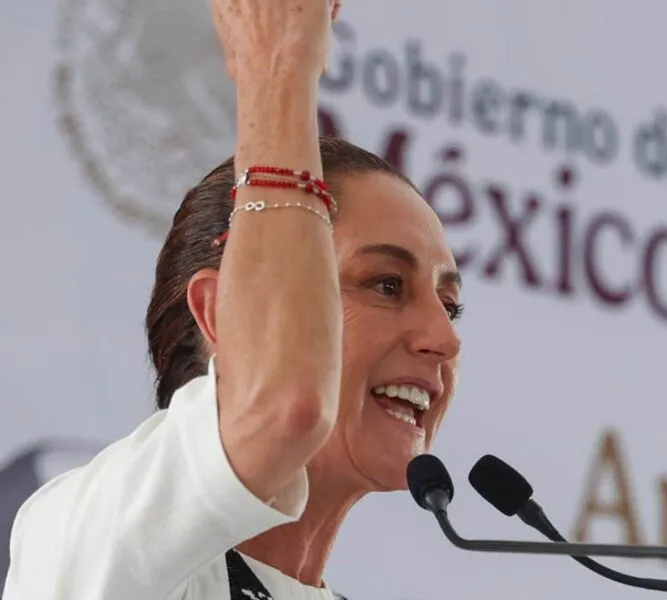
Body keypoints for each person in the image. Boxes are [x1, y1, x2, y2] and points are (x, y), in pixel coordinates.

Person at [1, 0, 463, 598]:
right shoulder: (87, 534)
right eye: (386, 284)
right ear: (221, 313)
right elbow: (285, 408)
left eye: (450, 306)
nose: (444, 338)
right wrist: (278, 67)